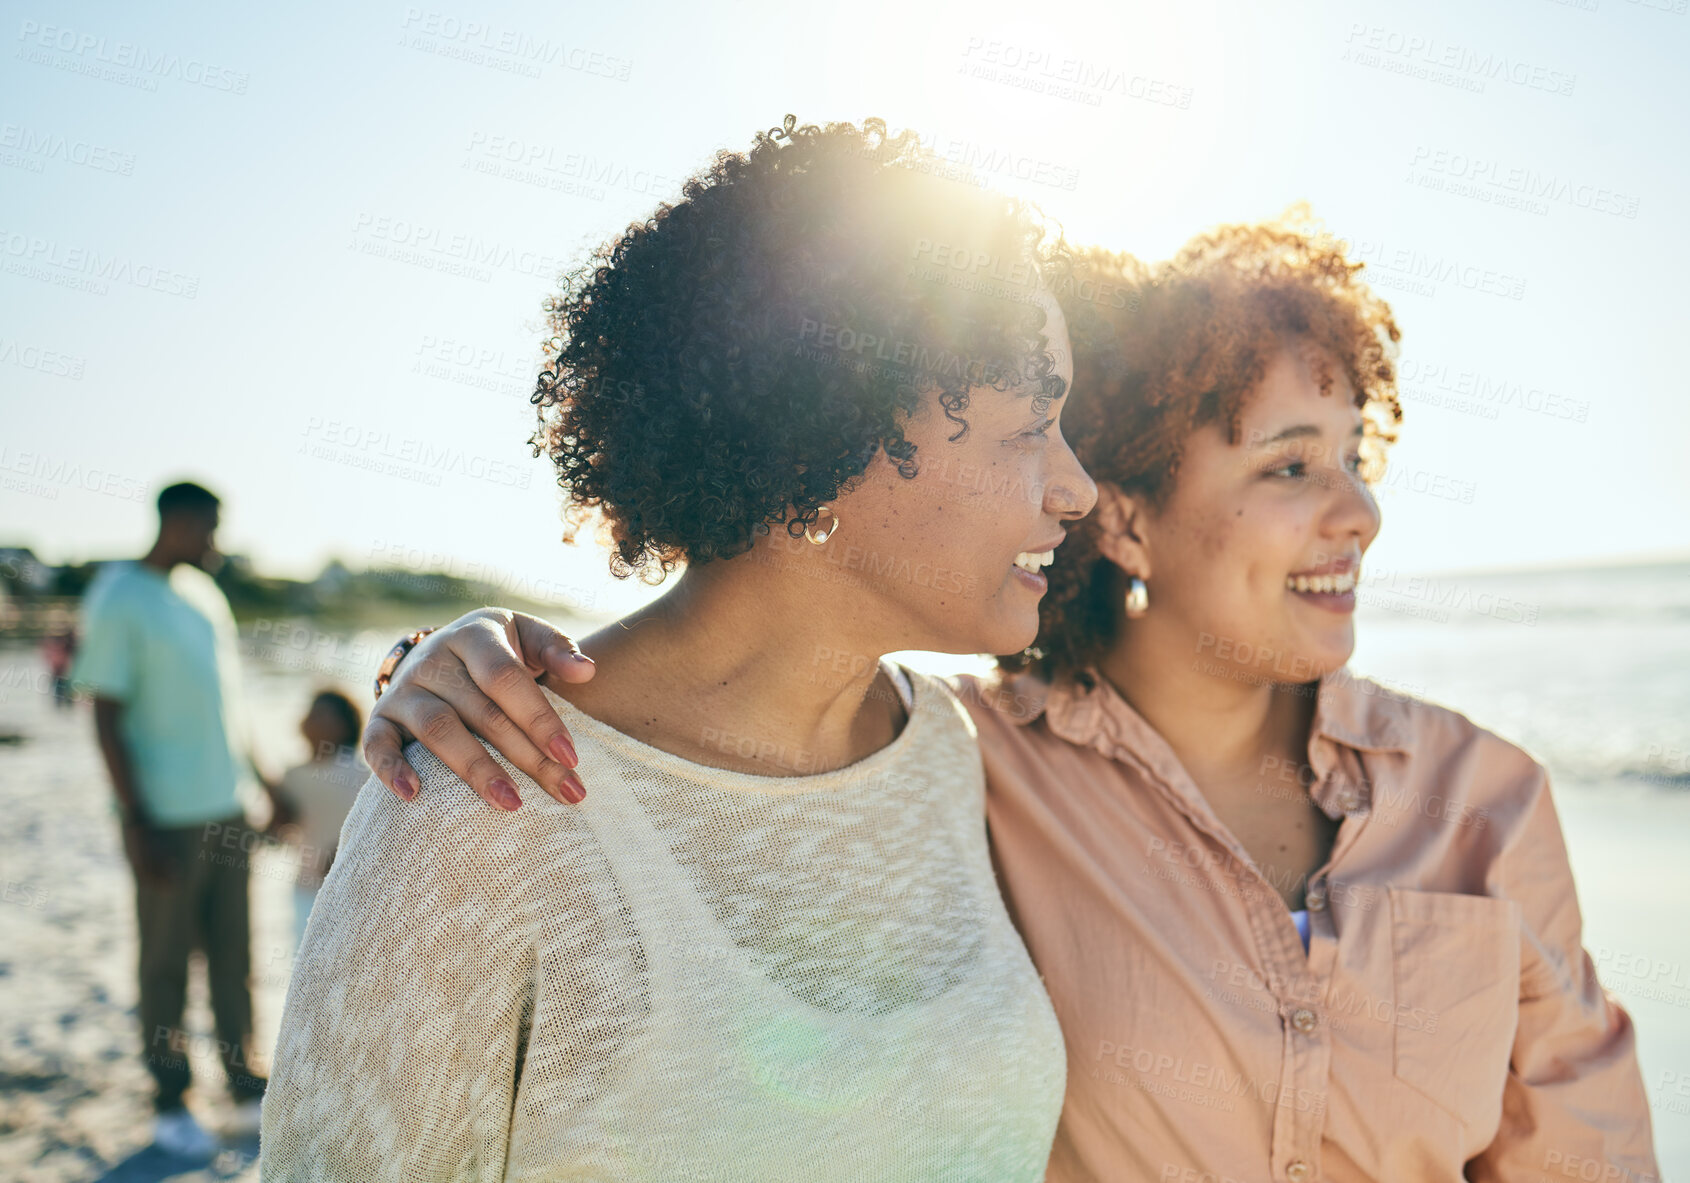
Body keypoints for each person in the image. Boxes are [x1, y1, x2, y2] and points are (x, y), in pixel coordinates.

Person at [379, 216, 1659, 1181]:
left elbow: (1585, 1152)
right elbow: (744, 700)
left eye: (1354, 457)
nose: (1358, 510)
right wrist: (451, 657)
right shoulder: (959, 765)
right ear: (1131, 519)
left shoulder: (1484, 798)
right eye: (1288, 465)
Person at [259, 115, 1095, 1181]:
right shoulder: (482, 804)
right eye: (1032, 425)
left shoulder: (963, 753)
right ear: (824, 435)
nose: (1077, 487)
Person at [70, 480, 294, 1158]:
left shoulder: (207, 595)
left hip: (228, 806)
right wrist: (134, 820)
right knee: (165, 961)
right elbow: (104, 713)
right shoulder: (120, 595)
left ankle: (239, 1074)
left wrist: (266, 779)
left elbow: (229, 702)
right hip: (163, 815)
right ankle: (170, 1094)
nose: (215, 543)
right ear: (177, 521)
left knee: (234, 954)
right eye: (209, 528)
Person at [268, 689, 366, 950]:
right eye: (311, 711)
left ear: (345, 726)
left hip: (355, 891)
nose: (312, 718)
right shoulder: (292, 777)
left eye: (323, 713)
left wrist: (343, 850)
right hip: (306, 889)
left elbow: (377, 828)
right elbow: (275, 834)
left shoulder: (360, 772)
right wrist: (276, 812)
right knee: (307, 966)